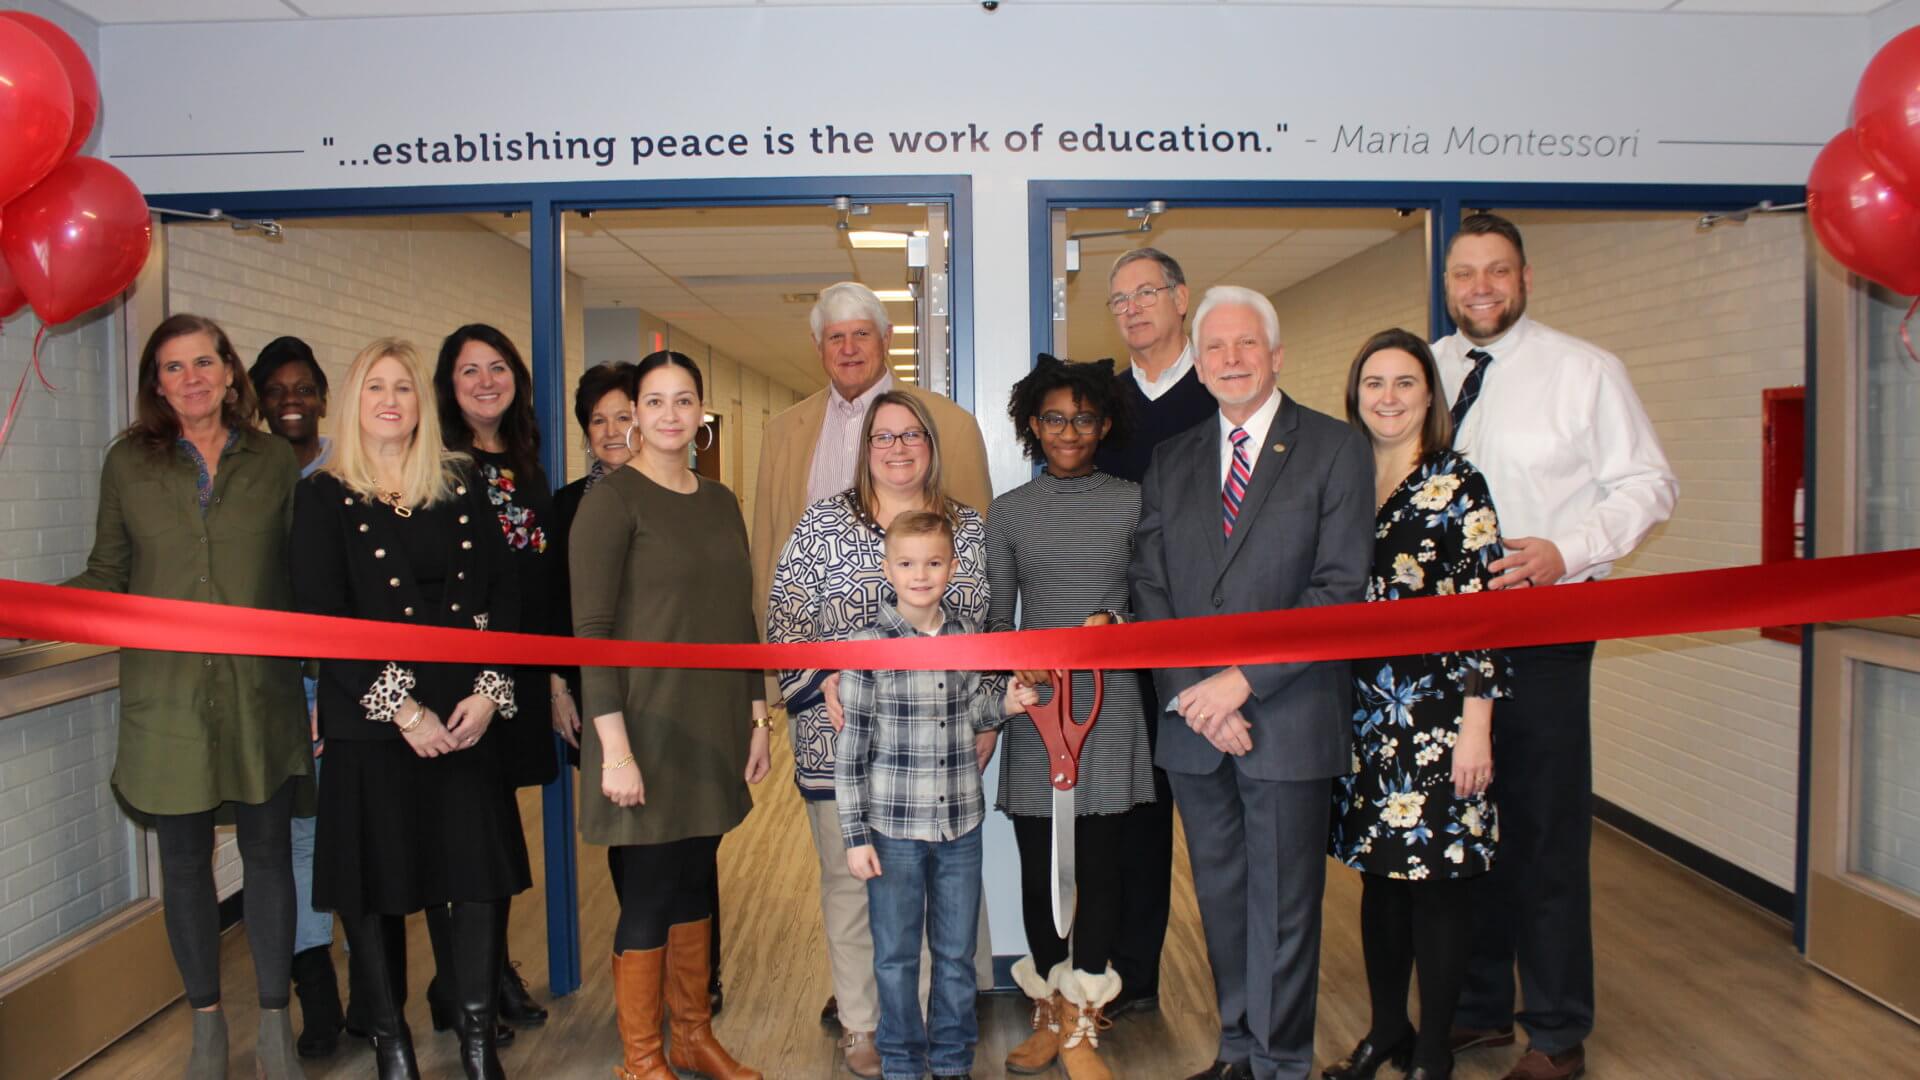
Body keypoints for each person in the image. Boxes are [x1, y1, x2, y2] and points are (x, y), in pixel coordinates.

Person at [1435, 214, 1677, 1080]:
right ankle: (1476, 1008)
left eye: (1497, 272)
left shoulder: (1585, 372)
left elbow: (1650, 484)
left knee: (1541, 834)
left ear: (1525, 277)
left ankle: (1557, 1031)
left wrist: (1566, 551)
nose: (1481, 288)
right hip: (1442, 645)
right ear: (1450, 283)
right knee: (1467, 829)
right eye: (1466, 274)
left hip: (1544, 631)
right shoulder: (1426, 372)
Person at [1129, 286, 1374, 1080]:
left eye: (1245, 346)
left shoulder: (1336, 448)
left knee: (1286, 908)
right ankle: (1236, 1050)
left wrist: (1241, 683)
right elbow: (1150, 587)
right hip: (1195, 723)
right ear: (1198, 365)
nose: (1230, 360)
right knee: (1225, 900)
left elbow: (1339, 589)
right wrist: (1198, 693)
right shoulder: (1171, 460)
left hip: (1287, 715)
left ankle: (1279, 1064)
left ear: (1275, 355)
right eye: (1215, 349)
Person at [66, 314, 312, 1080]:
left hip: (259, 694)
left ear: (230, 372)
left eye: (205, 362)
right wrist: (22, 611)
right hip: (167, 699)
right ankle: (206, 1027)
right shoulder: (127, 465)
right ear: (157, 383)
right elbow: (107, 574)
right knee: (182, 863)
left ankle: (274, 1026)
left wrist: (321, 687)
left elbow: (302, 582)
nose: (192, 378)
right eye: (173, 368)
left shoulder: (275, 462)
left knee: (270, 856)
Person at [291, 338, 529, 1080]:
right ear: (352, 403)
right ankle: (393, 1047)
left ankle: (478, 1041)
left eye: (402, 387)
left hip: (465, 716)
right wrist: (404, 711)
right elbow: (323, 614)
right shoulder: (324, 494)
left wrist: (491, 691)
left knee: (477, 881)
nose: (391, 400)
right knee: (377, 887)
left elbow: (504, 594)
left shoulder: (459, 484)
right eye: (375, 388)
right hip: (375, 724)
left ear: (421, 403)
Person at [765, 391, 992, 1078]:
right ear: (865, 449)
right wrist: (824, 678)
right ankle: (864, 1026)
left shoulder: (968, 528)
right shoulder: (822, 524)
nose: (898, 448)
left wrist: (987, 719)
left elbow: (982, 630)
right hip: (843, 742)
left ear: (931, 444)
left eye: (912, 435)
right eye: (883, 437)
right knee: (852, 884)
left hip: (939, 749)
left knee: (940, 900)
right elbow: (784, 620)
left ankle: (927, 1028)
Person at [569, 350, 771, 1080]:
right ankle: (641, 1057)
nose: (668, 416)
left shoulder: (718, 501)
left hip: (710, 723)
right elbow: (588, 632)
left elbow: (738, 615)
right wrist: (613, 750)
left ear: (701, 415)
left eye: (684, 401)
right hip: (642, 727)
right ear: (634, 414)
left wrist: (756, 718)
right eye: (653, 402)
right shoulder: (611, 500)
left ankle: (692, 1037)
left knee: (693, 877)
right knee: (650, 888)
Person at [1325, 329, 1509, 1080]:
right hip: (1364, 714)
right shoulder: (1338, 479)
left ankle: (1435, 1051)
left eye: (1405, 383)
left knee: (1438, 884)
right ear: (1355, 394)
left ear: (1430, 395)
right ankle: (1387, 1030)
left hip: (1440, 718)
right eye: (1375, 383)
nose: (1389, 397)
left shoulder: (1458, 484)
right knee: (1379, 880)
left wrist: (1477, 727)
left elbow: (1487, 612)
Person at [985, 356, 1154, 1080]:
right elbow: (995, 616)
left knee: (1105, 869)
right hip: (1036, 707)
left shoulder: (1134, 501)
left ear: (1105, 424)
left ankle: (1085, 1020)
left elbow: (1153, 596)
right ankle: (1050, 1011)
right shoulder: (1010, 512)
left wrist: (1111, 617)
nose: (1069, 431)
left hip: (1108, 704)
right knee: (1035, 867)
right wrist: (1010, 667)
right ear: (1032, 424)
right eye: (1054, 418)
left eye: (1084, 418)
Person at [837, 510, 1039, 1080]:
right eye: (906, 563)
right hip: (893, 830)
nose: (919, 575)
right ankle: (901, 1062)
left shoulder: (964, 636)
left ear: (951, 568)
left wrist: (1007, 706)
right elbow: (852, 749)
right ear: (887, 568)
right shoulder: (868, 645)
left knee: (955, 957)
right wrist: (854, 838)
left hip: (959, 827)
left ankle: (952, 1062)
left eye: (932, 563)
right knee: (897, 958)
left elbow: (972, 711)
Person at [1091, 247, 1215, 1016]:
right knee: (1131, 813)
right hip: (1118, 634)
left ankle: (1245, 997)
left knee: (1209, 815)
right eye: (1120, 299)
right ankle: (1132, 978)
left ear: (1181, 297)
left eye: (1148, 292)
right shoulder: (1100, 405)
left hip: (1204, 645)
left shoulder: (1221, 390)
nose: (1134, 308)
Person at [433, 323, 560, 1034]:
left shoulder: (526, 460)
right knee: (471, 835)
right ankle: (462, 983)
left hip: (524, 669)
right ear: (448, 388)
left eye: (498, 367)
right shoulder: (442, 465)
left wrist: (556, 678)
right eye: (468, 371)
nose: (486, 381)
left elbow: (537, 574)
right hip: (468, 677)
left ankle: (489, 971)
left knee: (501, 832)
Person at [249, 335, 348, 1059]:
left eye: (303, 387)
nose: (291, 400)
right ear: (257, 399)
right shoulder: (246, 474)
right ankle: (319, 1000)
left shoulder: (346, 472)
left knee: (352, 831)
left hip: (345, 679)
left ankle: (375, 995)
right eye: (276, 389)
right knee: (294, 842)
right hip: (271, 684)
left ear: (322, 395)